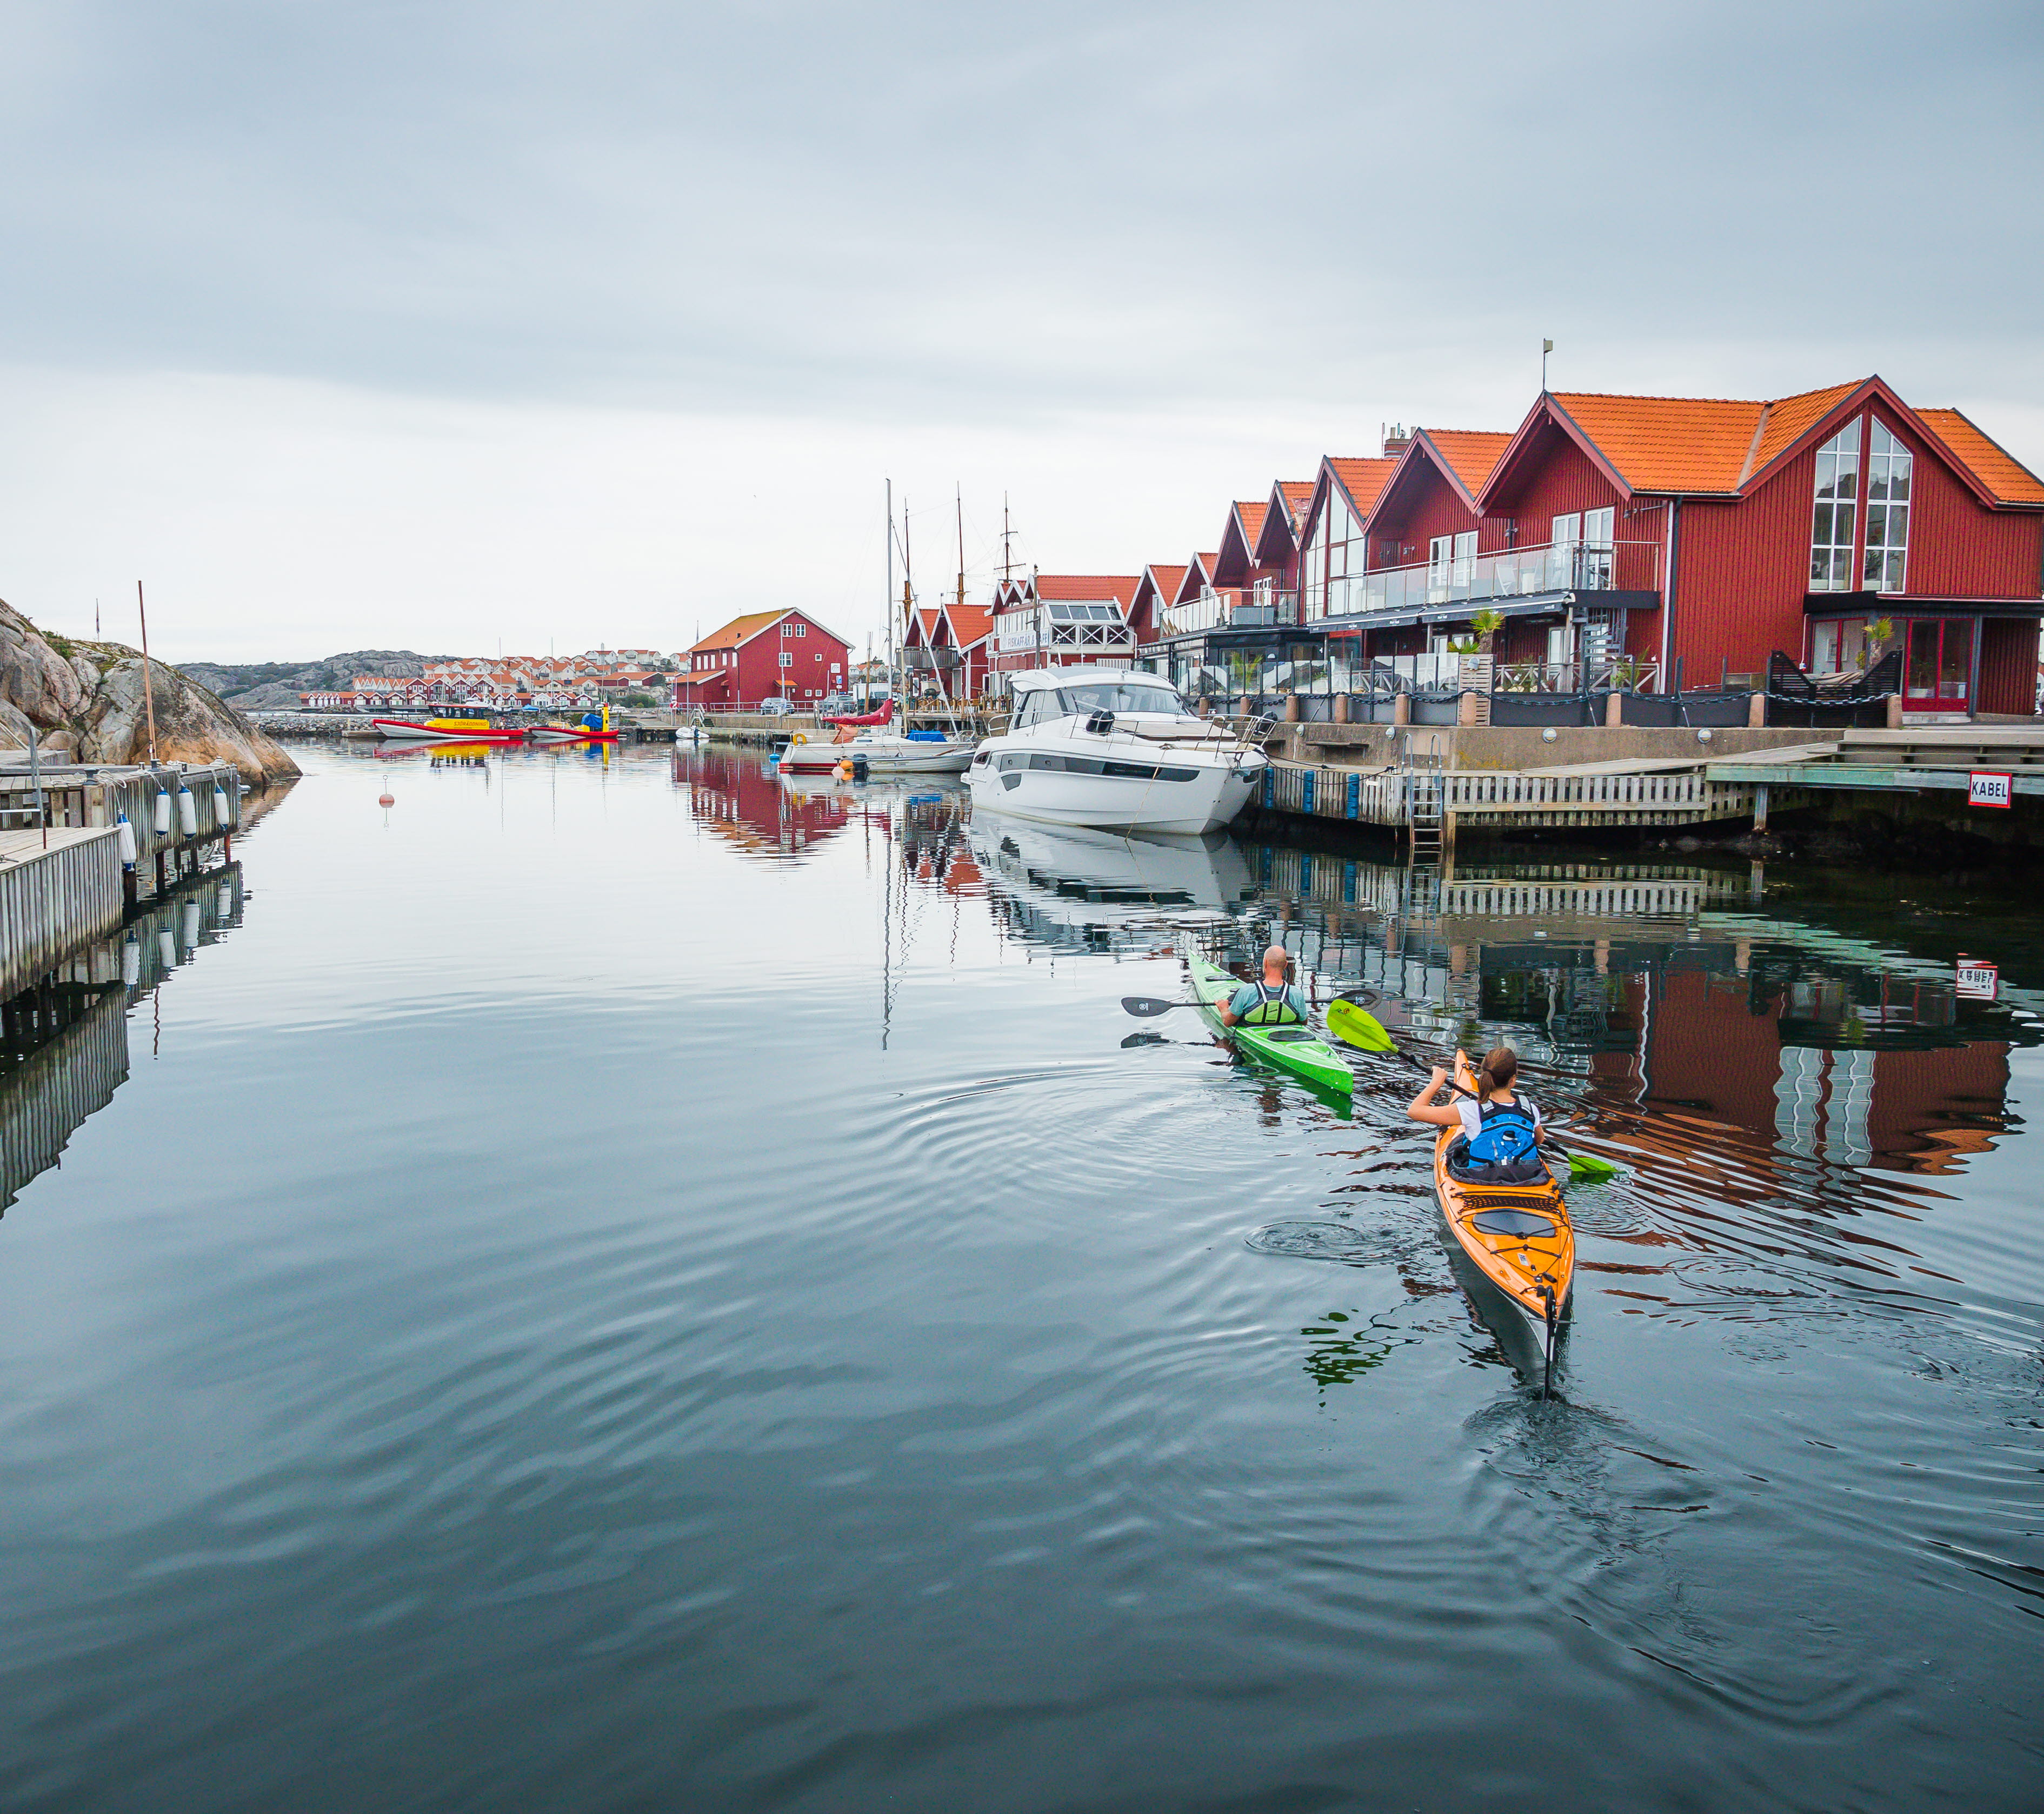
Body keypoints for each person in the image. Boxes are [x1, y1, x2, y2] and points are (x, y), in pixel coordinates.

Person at [1408, 1044, 1548, 1182]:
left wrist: (1436, 1083)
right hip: (1525, 1177)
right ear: (1513, 1080)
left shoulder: (1471, 1110)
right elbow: (1539, 1140)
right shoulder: (1530, 1108)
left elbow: (1414, 1111)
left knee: (1460, 1143)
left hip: (1480, 1178)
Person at [1220, 945, 1308, 1028]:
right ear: (1285, 965)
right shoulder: (1297, 993)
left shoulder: (1247, 991)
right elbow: (1303, 1022)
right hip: (1287, 1035)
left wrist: (1223, 1008)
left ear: (1265, 962)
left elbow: (1228, 1023)